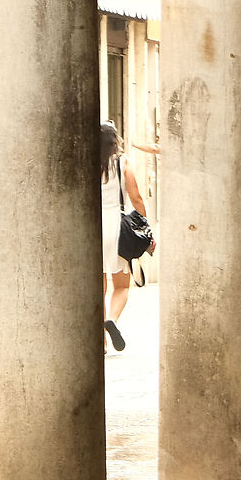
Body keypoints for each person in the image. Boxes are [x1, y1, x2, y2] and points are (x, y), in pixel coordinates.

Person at [101, 122, 147, 352]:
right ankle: (112, 319)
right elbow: (136, 197)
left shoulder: (85, 162)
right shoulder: (123, 162)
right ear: (115, 140)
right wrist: (145, 226)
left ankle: (100, 342)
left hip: (93, 227)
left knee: (97, 288)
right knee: (121, 286)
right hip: (117, 227)